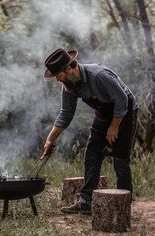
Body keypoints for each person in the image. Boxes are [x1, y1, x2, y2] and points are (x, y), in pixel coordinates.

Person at [41, 48, 138, 215]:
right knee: (92, 154)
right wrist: (50, 140)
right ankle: (86, 202)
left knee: (120, 160)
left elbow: (122, 99)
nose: (58, 80)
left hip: (126, 112)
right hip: (103, 113)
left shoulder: (99, 76)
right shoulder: (68, 86)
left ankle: (124, 205)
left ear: (69, 69)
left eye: (58, 75)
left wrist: (114, 126)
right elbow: (66, 114)